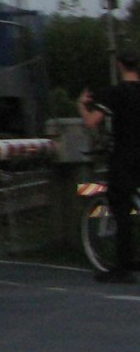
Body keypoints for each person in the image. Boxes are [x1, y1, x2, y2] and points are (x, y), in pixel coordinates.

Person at [80, 50, 140, 283]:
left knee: (120, 207)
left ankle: (122, 268)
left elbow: (92, 122)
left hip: (124, 157)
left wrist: (82, 106)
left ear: (119, 66)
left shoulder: (115, 94)